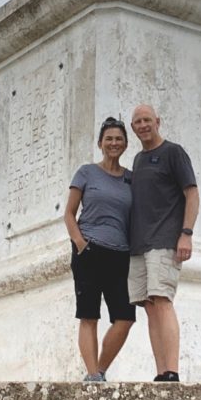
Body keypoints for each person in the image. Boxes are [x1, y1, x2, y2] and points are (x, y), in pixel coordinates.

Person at [129, 104, 199, 381]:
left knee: (163, 299)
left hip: (165, 239)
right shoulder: (137, 160)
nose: (143, 125)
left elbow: (192, 194)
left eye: (147, 120)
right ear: (133, 127)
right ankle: (161, 372)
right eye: (137, 122)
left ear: (157, 121)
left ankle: (172, 370)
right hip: (138, 244)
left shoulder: (173, 152)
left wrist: (187, 233)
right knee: (149, 305)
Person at [64, 117, 135, 381]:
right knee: (89, 315)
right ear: (100, 143)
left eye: (118, 139)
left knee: (125, 318)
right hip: (90, 251)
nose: (114, 143)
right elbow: (69, 213)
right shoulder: (86, 173)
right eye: (109, 139)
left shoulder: (131, 179)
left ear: (125, 144)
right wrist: (80, 244)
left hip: (121, 254)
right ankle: (92, 376)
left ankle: (100, 370)